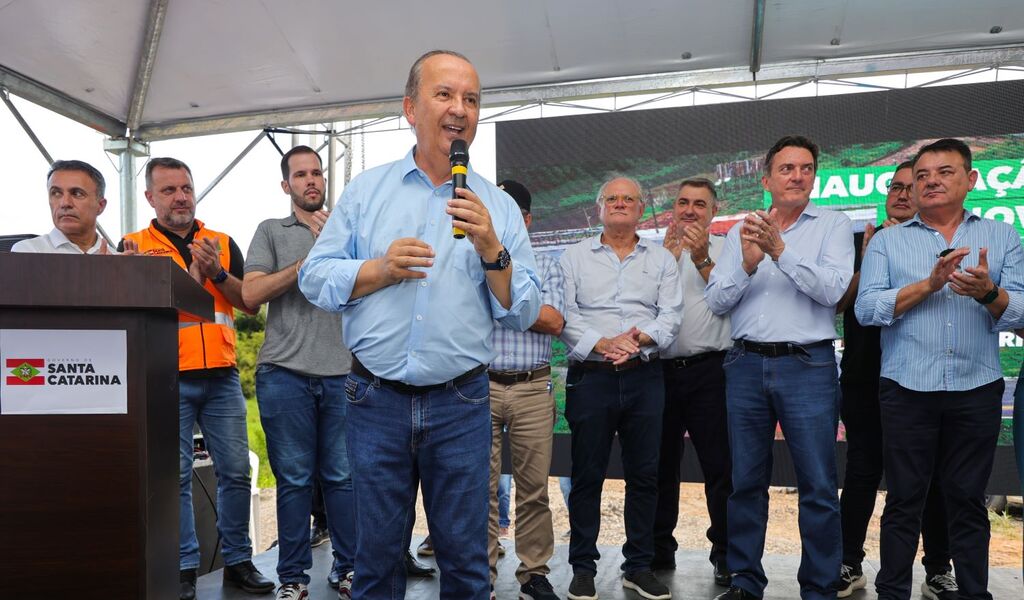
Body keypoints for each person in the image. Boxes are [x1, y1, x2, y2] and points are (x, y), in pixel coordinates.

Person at [299, 50, 541, 600]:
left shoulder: (497, 207)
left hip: (461, 404)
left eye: (472, 99)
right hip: (373, 400)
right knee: (376, 562)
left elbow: (523, 309)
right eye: (445, 94)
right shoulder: (367, 191)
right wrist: (378, 269)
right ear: (410, 107)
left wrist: (492, 250)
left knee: (466, 564)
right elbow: (315, 278)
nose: (460, 109)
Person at [855, 138, 1024, 600]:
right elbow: (866, 310)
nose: (931, 181)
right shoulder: (889, 241)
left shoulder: (1002, 236)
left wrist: (989, 293)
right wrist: (928, 284)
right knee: (904, 501)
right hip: (907, 389)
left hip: (976, 388)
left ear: (970, 180)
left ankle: (974, 593)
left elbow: (1023, 314)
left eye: (944, 172)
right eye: (923, 174)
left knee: (968, 502)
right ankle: (892, 592)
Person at [705, 135, 853, 600]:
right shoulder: (739, 233)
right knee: (745, 483)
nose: (797, 176)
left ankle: (820, 587)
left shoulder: (833, 224)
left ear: (815, 176)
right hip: (745, 364)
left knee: (818, 486)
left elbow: (832, 292)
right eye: (787, 168)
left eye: (806, 168)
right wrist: (748, 264)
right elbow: (717, 301)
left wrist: (780, 251)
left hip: (807, 366)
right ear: (767, 179)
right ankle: (745, 582)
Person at [122, 157, 273, 600]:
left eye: (186, 187)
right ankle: (184, 568)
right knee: (177, 478)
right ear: (150, 197)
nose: (180, 196)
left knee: (235, 474)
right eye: (168, 190)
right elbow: (134, 311)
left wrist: (218, 274)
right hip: (166, 378)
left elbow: (249, 303)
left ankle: (238, 563)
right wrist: (143, 276)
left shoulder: (221, 242)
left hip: (222, 379)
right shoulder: (132, 245)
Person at [834, 161, 955, 599]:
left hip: (921, 380)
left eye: (912, 187)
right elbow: (839, 302)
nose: (903, 194)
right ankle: (848, 562)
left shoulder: (937, 245)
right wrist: (867, 260)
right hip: (865, 378)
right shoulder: (857, 242)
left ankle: (939, 567)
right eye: (896, 187)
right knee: (862, 470)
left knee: (931, 475)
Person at [241, 145, 356, 600]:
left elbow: (370, 286)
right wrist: (306, 262)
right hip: (284, 373)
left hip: (341, 373)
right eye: (301, 175)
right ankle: (293, 579)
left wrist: (342, 244)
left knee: (343, 478)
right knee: (293, 480)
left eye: (317, 173)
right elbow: (251, 293)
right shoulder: (270, 230)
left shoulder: (347, 229)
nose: (311, 181)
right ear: (286, 185)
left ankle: (348, 569)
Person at [560, 175, 682, 600]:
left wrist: (639, 340)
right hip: (591, 377)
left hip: (645, 376)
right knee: (586, 475)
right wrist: (604, 343)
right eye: (612, 197)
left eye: (629, 199)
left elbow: (671, 317)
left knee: (645, 475)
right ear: (599, 208)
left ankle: (638, 566)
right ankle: (582, 568)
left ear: (641, 210)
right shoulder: (573, 257)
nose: (620, 204)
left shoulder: (662, 259)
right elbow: (565, 315)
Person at [486, 179, 563, 600]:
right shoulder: (472, 260)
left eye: (510, 210)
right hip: (478, 386)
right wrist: (524, 305)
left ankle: (533, 573)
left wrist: (502, 303)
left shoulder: (549, 261)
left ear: (527, 219)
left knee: (534, 488)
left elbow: (554, 321)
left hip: (533, 386)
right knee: (480, 487)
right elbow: (537, 312)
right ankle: (482, 573)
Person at [655, 178, 732, 587]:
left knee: (720, 468)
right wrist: (665, 260)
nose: (689, 210)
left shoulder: (727, 251)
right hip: (660, 373)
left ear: (713, 211)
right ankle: (657, 550)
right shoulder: (654, 252)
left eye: (699, 204)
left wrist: (701, 258)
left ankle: (725, 553)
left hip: (711, 372)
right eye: (683, 202)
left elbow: (730, 298)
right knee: (659, 466)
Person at [13, 160, 123, 255]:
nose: (65, 203)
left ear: (100, 205)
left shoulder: (117, 260)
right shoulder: (27, 252)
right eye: (56, 193)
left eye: (77, 194)